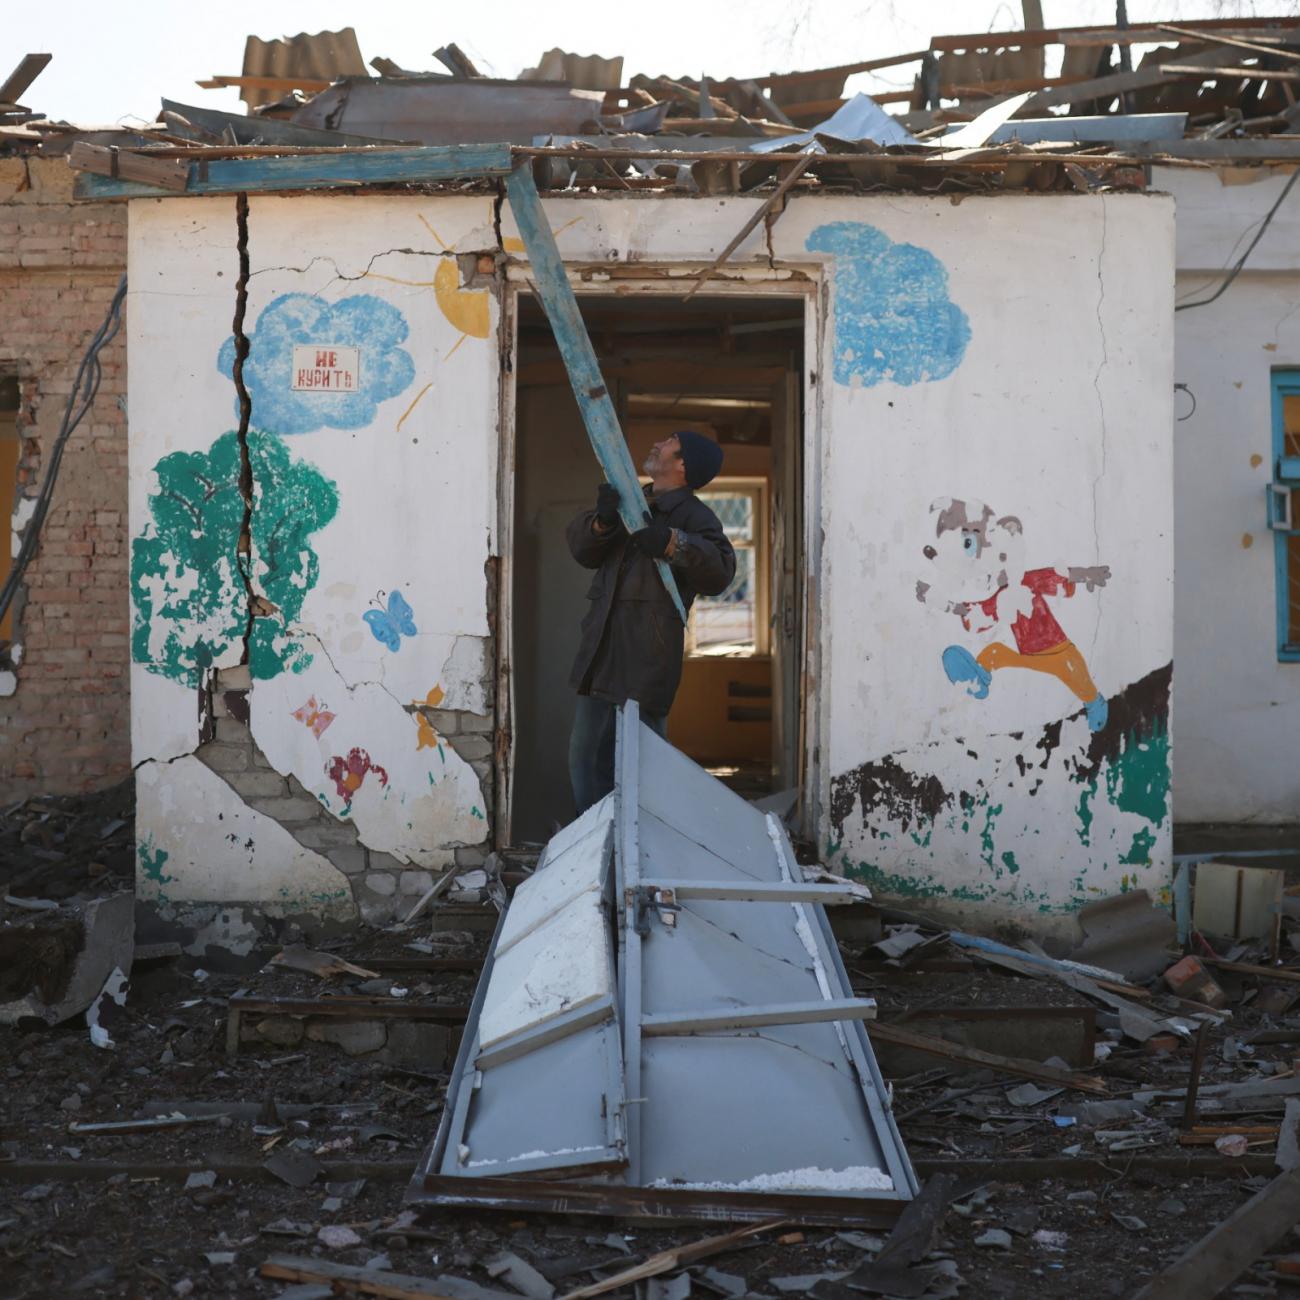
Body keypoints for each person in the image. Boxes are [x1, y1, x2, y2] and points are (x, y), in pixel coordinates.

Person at [566, 430, 736, 814]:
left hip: (646, 658)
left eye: (669, 442)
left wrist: (675, 543)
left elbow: (721, 571)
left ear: (682, 464)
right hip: (600, 654)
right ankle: (593, 847)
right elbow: (582, 551)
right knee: (585, 759)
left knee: (642, 763)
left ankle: (640, 849)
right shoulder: (632, 502)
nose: (656, 443)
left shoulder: (694, 516)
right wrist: (603, 522)